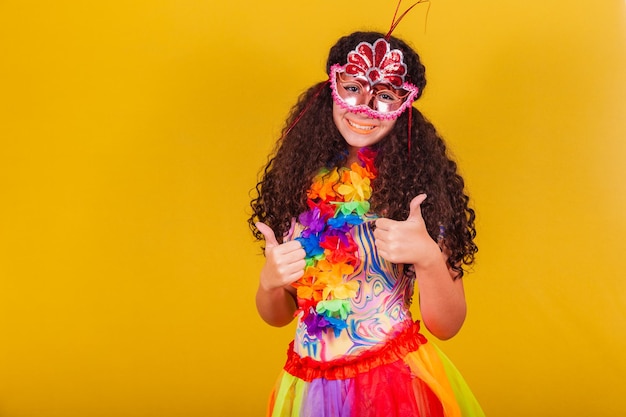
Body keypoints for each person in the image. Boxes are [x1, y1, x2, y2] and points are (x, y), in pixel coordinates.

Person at [249, 28, 485, 417]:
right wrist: (269, 283)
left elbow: (447, 324)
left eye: (385, 95)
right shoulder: (296, 183)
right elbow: (276, 315)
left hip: (390, 383)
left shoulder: (416, 191)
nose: (364, 107)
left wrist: (427, 256)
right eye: (354, 86)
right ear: (332, 87)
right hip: (308, 386)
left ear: (403, 105)